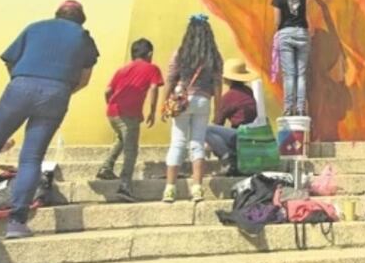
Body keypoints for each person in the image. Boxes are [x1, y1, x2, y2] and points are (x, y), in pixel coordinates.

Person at [0, 0, 99, 239]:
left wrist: (21, 79)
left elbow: (9, 59)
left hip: (21, 85)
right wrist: (61, 89)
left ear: (57, 14)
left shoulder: (35, 27)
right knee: (31, 158)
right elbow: (84, 79)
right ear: (81, 19)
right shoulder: (84, 38)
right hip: (57, 94)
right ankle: (16, 223)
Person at [162, 14, 223, 204]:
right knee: (197, 143)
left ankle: (170, 188)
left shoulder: (181, 53)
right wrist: (218, 107)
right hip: (203, 100)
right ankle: (197, 188)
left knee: (177, 142)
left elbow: (171, 78)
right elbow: (218, 83)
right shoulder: (214, 56)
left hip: (182, 99)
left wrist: (164, 103)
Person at [96, 38, 163, 202]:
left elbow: (107, 91)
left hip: (113, 112)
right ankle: (124, 186)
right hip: (129, 115)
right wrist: (153, 111)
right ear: (150, 54)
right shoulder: (152, 68)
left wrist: (111, 105)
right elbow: (154, 88)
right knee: (131, 150)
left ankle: (106, 167)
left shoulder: (122, 70)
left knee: (121, 139)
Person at [205, 58, 259, 176]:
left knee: (206, 130)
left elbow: (218, 122)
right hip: (253, 135)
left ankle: (228, 159)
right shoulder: (248, 92)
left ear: (227, 79)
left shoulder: (229, 97)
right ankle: (232, 159)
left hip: (241, 135)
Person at [272, 0, 311, 117]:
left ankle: (289, 109)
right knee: (301, 74)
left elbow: (276, 22)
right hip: (302, 33)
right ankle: (300, 109)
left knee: (289, 75)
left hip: (286, 34)